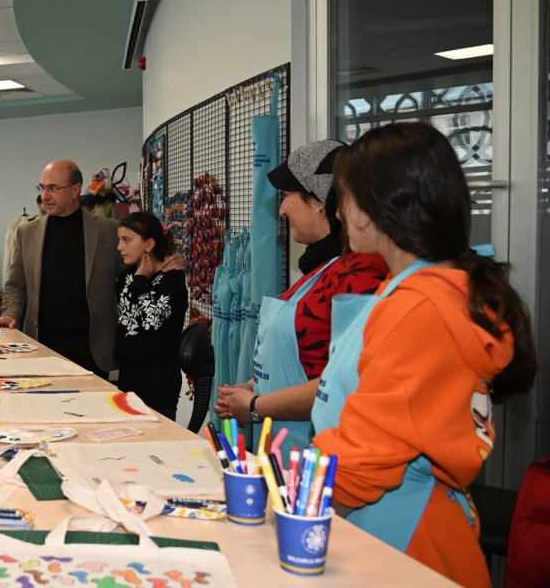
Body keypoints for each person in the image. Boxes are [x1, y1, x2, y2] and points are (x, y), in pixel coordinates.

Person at [311, 122, 535, 587]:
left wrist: (290, 514)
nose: (338, 216)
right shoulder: (418, 290)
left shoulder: (421, 308)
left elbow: (364, 458)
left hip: (398, 538)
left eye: (345, 199)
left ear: (375, 209)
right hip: (389, 522)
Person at [214, 140, 387, 455]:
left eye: (288, 197)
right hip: (286, 450)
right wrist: (254, 387)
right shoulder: (318, 272)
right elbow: (310, 359)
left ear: (319, 201)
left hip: (321, 456)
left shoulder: (360, 277)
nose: (281, 209)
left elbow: (343, 382)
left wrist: (256, 405)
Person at [0, 159, 118, 377]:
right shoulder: (27, 232)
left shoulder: (108, 230)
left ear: (75, 189)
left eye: (53, 188)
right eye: (42, 188)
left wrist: (164, 264)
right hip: (41, 346)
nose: (45, 196)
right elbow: (15, 284)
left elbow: (131, 275)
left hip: (90, 350)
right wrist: (11, 313)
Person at [114, 212, 188, 420]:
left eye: (127, 240)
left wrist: (140, 280)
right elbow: (128, 317)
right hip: (128, 372)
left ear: (148, 245)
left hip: (158, 378)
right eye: (119, 240)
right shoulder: (125, 277)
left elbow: (150, 321)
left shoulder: (172, 279)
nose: (120, 247)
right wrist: (138, 279)